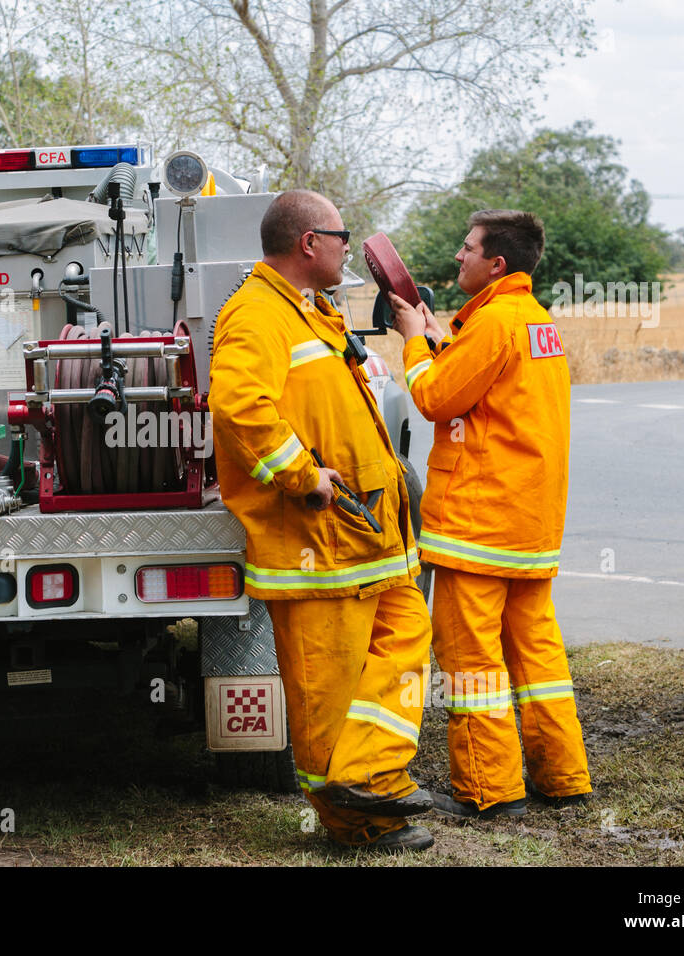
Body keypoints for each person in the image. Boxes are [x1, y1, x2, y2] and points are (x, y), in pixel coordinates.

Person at [208, 189, 435, 852]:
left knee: (406, 644)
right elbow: (239, 407)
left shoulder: (309, 311)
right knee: (326, 698)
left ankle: (367, 777)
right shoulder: (256, 314)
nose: (348, 247)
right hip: (315, 544)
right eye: (341, 236)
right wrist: (304, 478)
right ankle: (353, 824)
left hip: (368, 540)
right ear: (310, 243)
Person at [388, 209, 593, 819]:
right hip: (527, 527)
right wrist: (440, 337)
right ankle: (563, 777)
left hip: (478, 527)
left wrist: (415, 342)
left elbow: (432, 397)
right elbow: (486, 392)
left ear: (496, 263)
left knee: (472, 661)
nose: (458, 256)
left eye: (467, 247)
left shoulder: (496, 322)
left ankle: (489, 789)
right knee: (539, 659)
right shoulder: (532, 320)